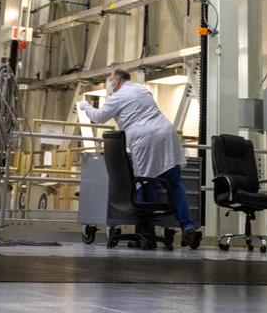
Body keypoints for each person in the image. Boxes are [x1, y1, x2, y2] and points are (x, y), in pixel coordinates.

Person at [79, 66, 201, 249]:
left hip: (146, 139)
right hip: (167, 134)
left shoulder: (118, 96)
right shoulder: (143, 90)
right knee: (175, 184)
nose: (110, 84)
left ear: (118, 81)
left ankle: (147, 235)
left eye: (111, 81)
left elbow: (99, 117)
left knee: (146, 183)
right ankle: (187, 226)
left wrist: (84, 105)